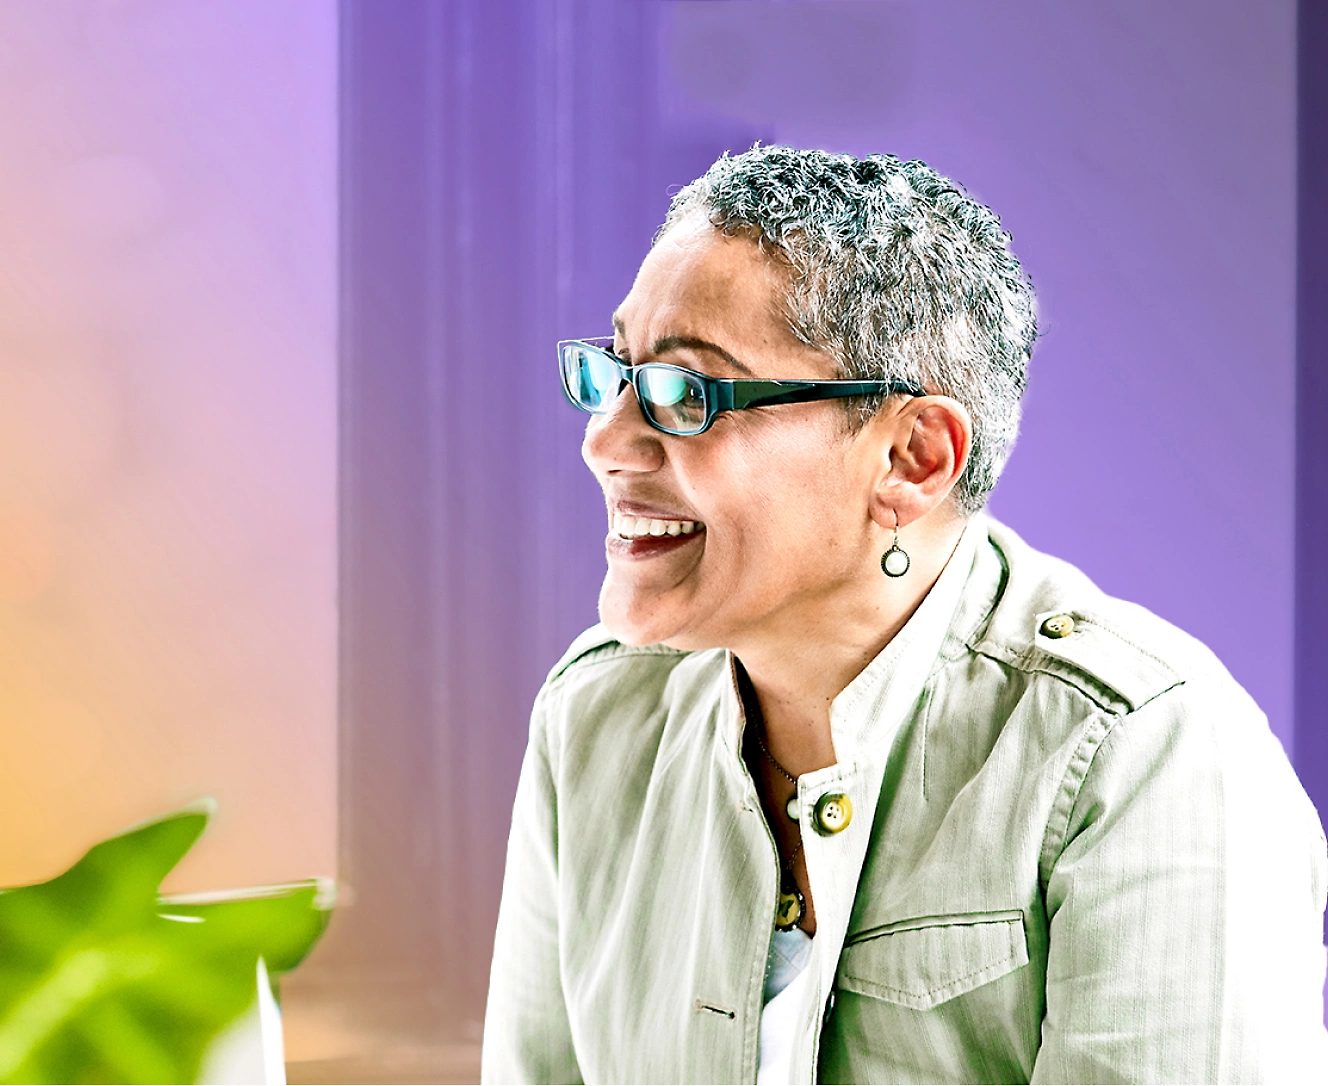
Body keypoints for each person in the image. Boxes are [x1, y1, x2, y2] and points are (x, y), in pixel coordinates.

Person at [481, 145, 1328, 1084]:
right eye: (614, 373)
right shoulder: (596, 717)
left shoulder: (1145, 759)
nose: (605, 440)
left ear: (912, 459)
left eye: (686, 393)